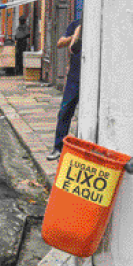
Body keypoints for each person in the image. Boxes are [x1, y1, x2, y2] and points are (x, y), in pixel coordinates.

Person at [47, 19, 82, 161]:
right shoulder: (76, 24)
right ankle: (58, 147)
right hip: (74, 76)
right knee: (65, 111)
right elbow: (60, 43)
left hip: (92, 77)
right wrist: (74, 35)